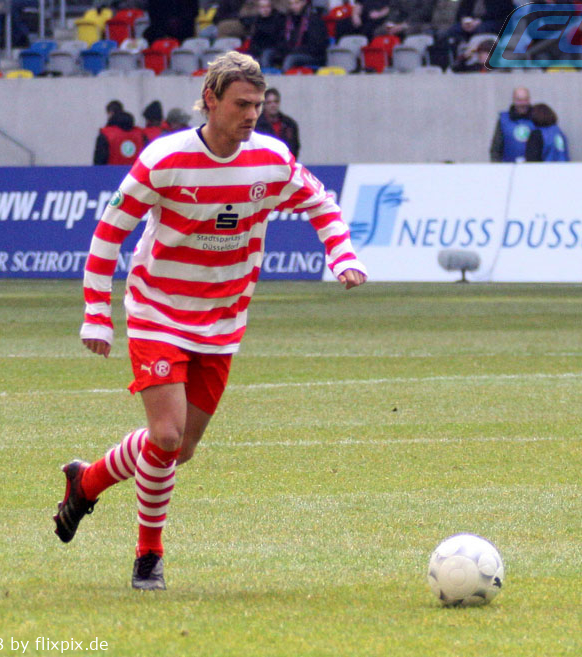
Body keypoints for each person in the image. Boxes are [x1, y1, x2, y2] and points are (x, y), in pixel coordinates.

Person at [54, 51, 367, 590]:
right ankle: (148, 556)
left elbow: (321, 203)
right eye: (242, 104)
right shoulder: (165, 159)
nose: (252, 114)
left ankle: (87, 482)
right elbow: (109, 233)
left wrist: (342, 255)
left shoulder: (271, 158)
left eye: (258, 104)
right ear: (210, 100)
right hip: (157, 311)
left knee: (180, 449)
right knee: (166, 435)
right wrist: (96, 314)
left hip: (222, 321)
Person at [277, 0, 329, 71]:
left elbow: (317, 46)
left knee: (291, 59)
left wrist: (295, 50)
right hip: (293, 52)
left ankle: (284, 77)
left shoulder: (314, 19)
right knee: (269, 55)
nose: (294, 6)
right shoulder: (288, 20)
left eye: (297, 3)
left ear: (304, 2)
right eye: (291, 4)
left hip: (314, 56)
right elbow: (282, 40)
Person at [490, 86, 534, 162]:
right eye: (519, 100)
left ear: (529, 100)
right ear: (513, 100)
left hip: (533, 167)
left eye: (525, 100)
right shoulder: (503, 120)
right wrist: (497, 165)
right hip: (508, 166)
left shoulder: (537, 118)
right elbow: (496, 148)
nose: (522, 104)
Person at [93, 101, 145, 165]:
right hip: (136, 171)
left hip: (112, 171)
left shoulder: (106, 135)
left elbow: (99, 162)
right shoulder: (140, 134)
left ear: (111, 113)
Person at [255, 87, 300, 157]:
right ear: (264, 105)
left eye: (276, 102)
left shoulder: (289, 124)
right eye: (269, 102)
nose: (273, 105)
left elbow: (294, 147)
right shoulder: (257, 125)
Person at [247, 0, 286, 69]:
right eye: (262, 7)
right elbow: (254, 40)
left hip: (274, 48)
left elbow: (280, 39)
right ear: (258, 8)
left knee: (266, 55)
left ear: (271, 7)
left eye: (267, 7)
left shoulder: (279, 19)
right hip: (260, 49)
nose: (265, 10)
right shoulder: (257, 21)